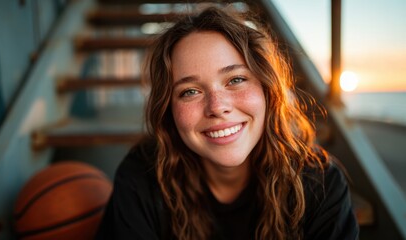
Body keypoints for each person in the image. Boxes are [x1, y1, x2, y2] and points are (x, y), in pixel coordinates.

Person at [96, 6, 359, 240]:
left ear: (268, 89)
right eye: (190, 91)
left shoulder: (319, 182)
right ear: (168, 110)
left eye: (235, 80)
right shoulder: (142, 176)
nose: (217, 106)